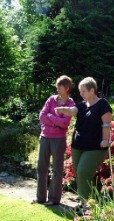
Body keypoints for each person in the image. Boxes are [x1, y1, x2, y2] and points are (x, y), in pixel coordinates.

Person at [56, 77, 112, 209]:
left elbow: (107, 124)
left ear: (92, 90)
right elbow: (72, 111)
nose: (81, 94)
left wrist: (105, 140)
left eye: (83, 91)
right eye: (80, 91)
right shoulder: (82, 105)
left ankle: (86, 205)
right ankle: (87, 202)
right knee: (80, 174)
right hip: (78, 146)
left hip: (95, 147)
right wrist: (63, 109)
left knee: (83, 172)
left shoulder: (102, 104)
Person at [33, 75, 75, 205]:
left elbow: (65, 123)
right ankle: (40, 198)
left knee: (57, 169)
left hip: (58, 140)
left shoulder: (70, 104)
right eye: (57, 87)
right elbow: (42, 116)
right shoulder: (51, 99)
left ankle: (53, 199)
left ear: (67, 88)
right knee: (41, 168)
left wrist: (51, 117)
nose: (57, 89)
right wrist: (55, 121)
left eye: (60, 87)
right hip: (45, 137)